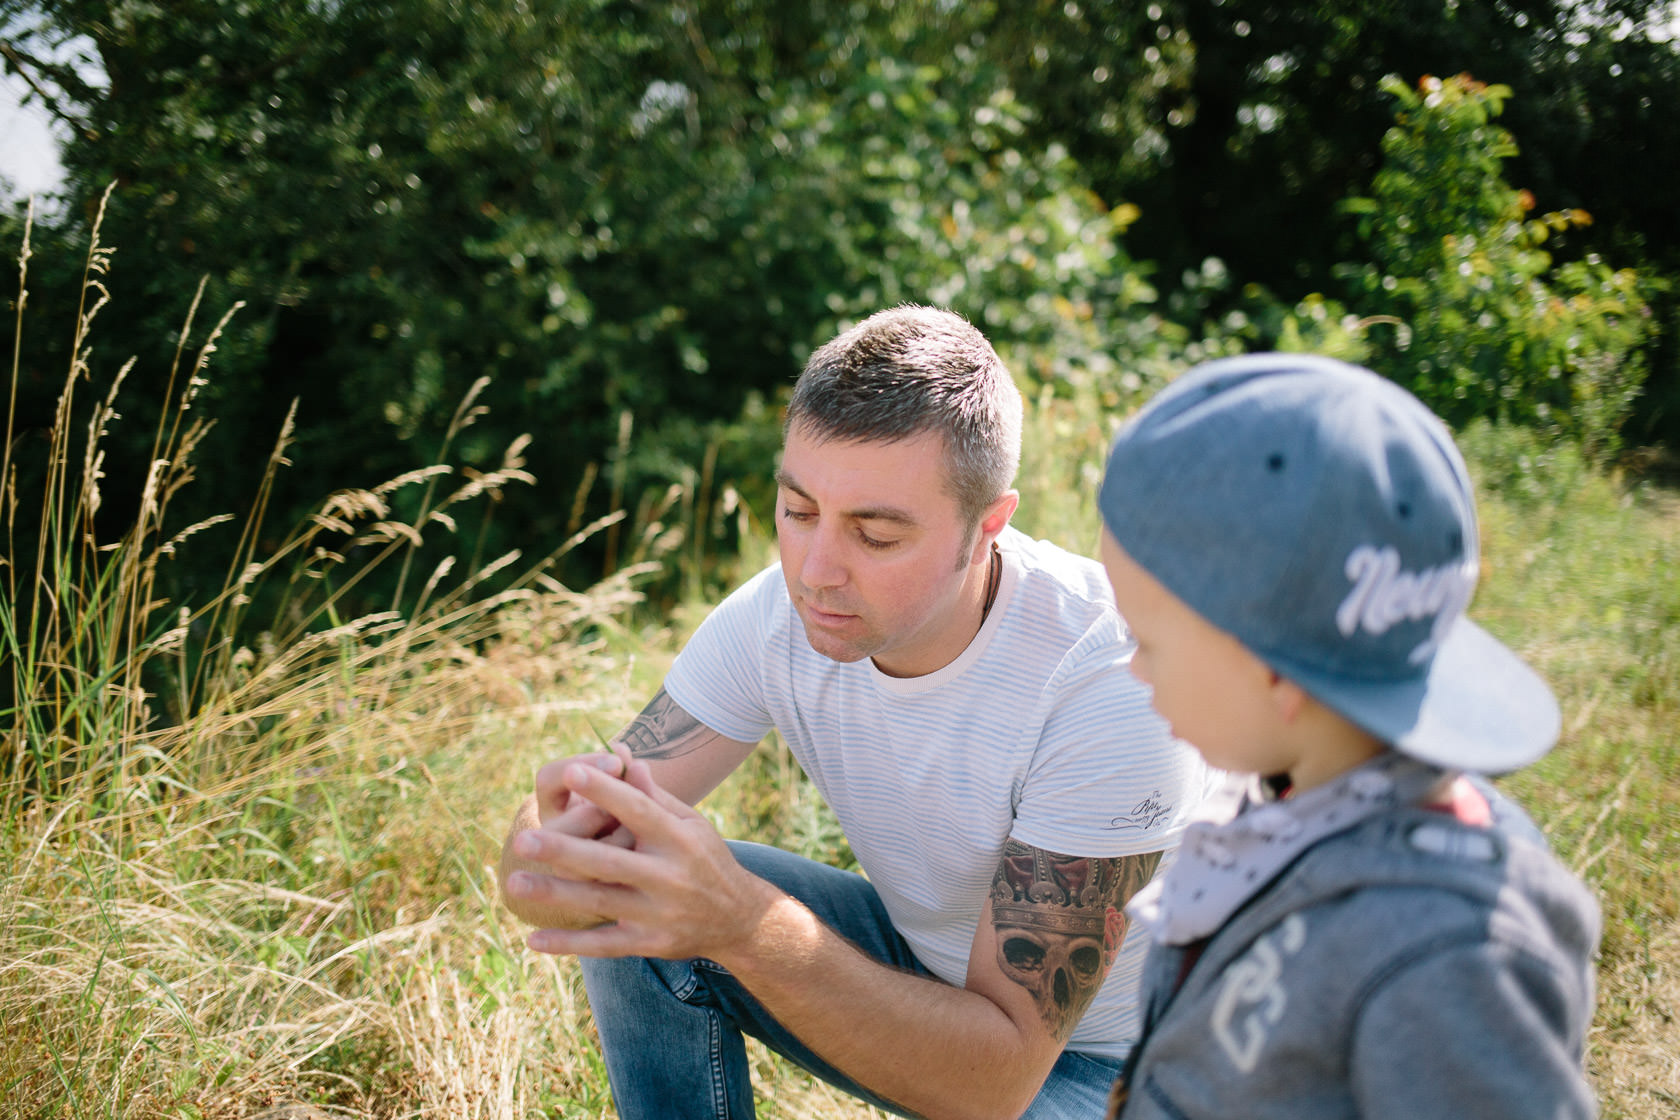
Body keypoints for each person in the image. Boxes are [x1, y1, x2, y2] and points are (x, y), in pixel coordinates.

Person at [497, 305, 1206, 1120]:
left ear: (987, 529)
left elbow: (992, 1085)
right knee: (646, 878)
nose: (816, 571)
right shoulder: (775, 619)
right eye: (798, 513)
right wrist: (550, 849)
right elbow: (542, 873)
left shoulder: (1113, 678)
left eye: (875, 535)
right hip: (935, 981)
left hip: (1138, 1071)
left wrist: (740, 924)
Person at [1093, 353, 1601, 1119]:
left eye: (1147, 642)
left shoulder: (1448, 959)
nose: (1134, 669)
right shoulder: (1297, 798)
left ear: (1273, 668)